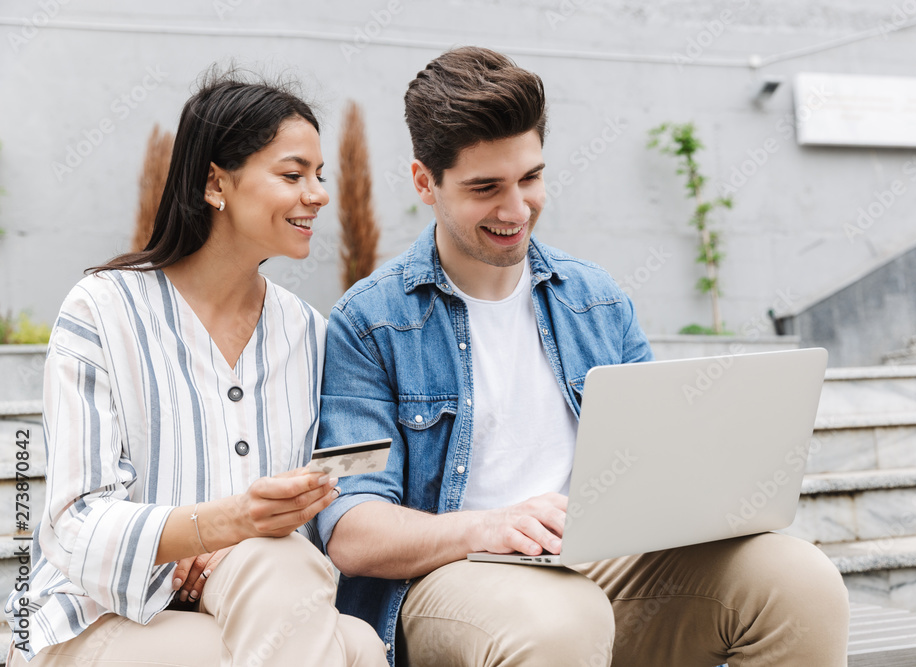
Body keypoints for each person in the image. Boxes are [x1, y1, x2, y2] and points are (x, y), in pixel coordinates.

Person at [317, 47, 851, 666]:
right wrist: (487, 527)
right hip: (453, 581)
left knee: (799, 578)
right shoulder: (366, 321)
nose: (516, 211)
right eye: (485, 188)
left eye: (530, 178)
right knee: (561, 621)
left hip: (601, 570)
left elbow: (662, 455)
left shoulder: (597, 300)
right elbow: (351, 529)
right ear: (424, 182)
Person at [4, 69, 388, 667]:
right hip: (96, 615)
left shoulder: (309, 333)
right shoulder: (103, 311)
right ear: (216, 182)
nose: (317, 194)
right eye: (292, 174)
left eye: (319, 175)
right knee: (349, 649)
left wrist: (256, 530)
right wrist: (213, 526)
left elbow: (309, 518)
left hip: (253, 595)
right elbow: (76, 521)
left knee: (329, 611)